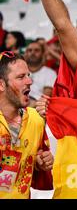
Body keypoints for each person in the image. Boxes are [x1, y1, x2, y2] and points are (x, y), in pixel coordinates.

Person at [0, 51, 53, 198]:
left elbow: (37, 159)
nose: (29, 82)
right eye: (21, 77)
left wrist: (41, 161)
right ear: (1, 84)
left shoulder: (36, 119)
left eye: (28, 75)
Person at [24, 40, 57, 107]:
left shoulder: (50, 73)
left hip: (37, 108)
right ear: (26, 53)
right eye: (30, 50)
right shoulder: (19, 71)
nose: (33, 53)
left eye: (36, 50)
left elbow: (45, 97)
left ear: (42, 54)